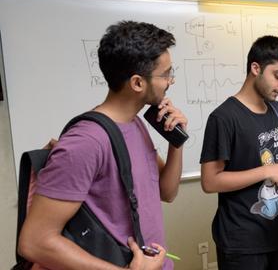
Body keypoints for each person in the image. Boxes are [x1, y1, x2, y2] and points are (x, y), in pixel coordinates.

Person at [18, 21, 187, 270]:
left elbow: (167, 193)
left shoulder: (135, 124)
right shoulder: (87, 141)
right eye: (165, 74)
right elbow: (34, 242)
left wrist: (176, 143)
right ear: (138, 83)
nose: (170, 81)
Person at [200, 35, 278, 270]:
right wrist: (265, 171)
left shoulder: (276, 109)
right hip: (243, 242)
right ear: (256, 68)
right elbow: (210, 181)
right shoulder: (223, 118)